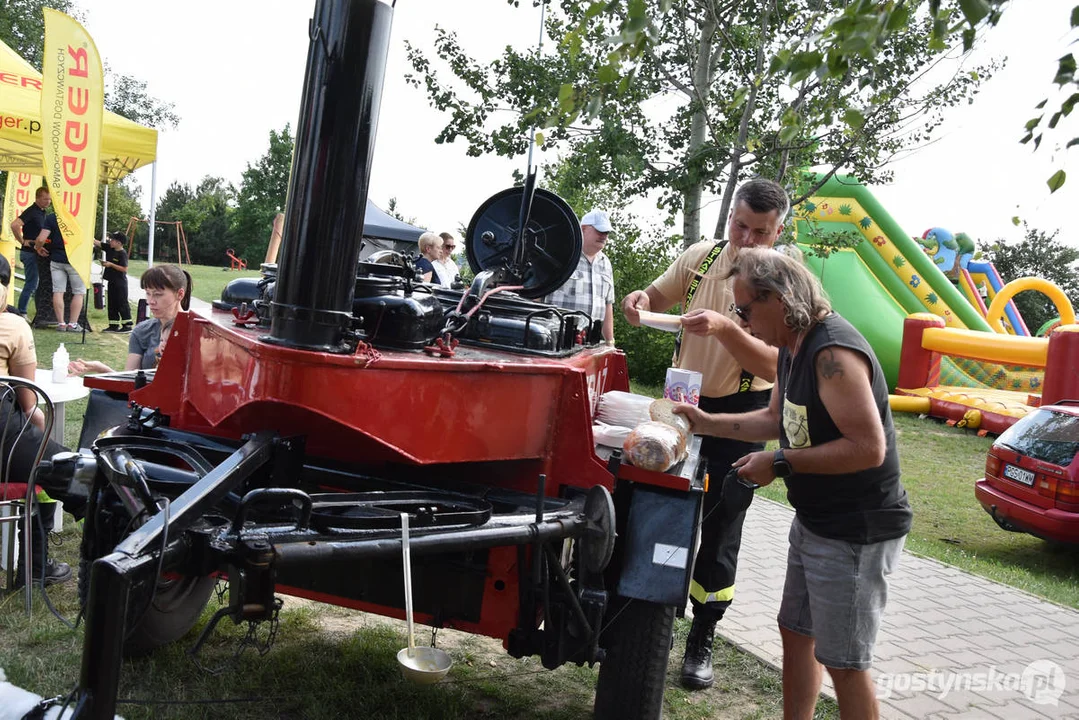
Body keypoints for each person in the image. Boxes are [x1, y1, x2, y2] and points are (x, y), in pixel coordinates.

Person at [675, 248, 912, 720]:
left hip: (857, 530)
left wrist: (779, 463)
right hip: (816, 521)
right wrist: (704, 422)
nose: (740, 322)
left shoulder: (833, 354)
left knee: (844, 663)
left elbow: (868, 448)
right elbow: (773, 418)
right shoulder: (792, 346)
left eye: (744, 309)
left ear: (779, 299)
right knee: (796, 632)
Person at [621, 178, 788, 689]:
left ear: (778, 231)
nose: (747, 239)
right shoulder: (701, 256)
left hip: (744, 411)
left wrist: (726, 328)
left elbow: (781, 362)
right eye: (740, 225)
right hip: (683, 402)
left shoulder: (785, 280)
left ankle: (703, 636)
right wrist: (639, 298)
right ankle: (647, 617)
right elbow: (657, 294)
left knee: (721, 523)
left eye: (760, 232)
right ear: (729, 217)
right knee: (659, 507)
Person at [0, 254, 81, 586]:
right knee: (68, 470)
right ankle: (36, 566)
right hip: (3, 441)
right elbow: (29, 401)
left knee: (42, 463)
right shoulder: (13, 325)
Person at [69, 264, 192, 375]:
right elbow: (128, 380)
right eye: (148, 293)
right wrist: (101, 368)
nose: (150, 301)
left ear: (180, 294)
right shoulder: (142, 331)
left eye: (158, 294)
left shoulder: (197, 329)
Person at [543, 210, 615, 345]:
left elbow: (608, 305)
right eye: (600, 231)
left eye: (607, 232)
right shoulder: (562, 256)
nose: (604, 236)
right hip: (556, 340)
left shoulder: (606, 264)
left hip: (590, 343)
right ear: (583, 229)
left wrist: (610, 342)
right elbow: (538, 295)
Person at [33, 211, 85, 332]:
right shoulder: (81, 216)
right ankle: (73, 324)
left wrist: (38, 248)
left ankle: (61, 323)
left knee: (58, 291)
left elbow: (41, 238)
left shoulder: (52, 217)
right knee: (78, 292)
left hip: (56, 259)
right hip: (76, 259)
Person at [8, 187, 50, 316]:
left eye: (49, 199)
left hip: (37, 251)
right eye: (45, 199)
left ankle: (36, 311)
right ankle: (22, 312)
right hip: (30, 252)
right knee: (31, 283)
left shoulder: (42, 212)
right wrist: (22, 241)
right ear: (37, 198)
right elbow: (15, 225)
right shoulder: (32, 211)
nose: (48, 202)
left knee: (35, 284)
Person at [100, 232, 133, 333]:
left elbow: (124, 269)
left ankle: (127, 325)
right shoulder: (110, 248)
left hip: (120, 283)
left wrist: (111, 264)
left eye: (112, 240)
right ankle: (113, 325)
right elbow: (97, 243)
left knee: (121, 303)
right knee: (112, 303)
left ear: (119, 243)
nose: (110, 241)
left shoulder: (122, 254)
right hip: (112, 281)